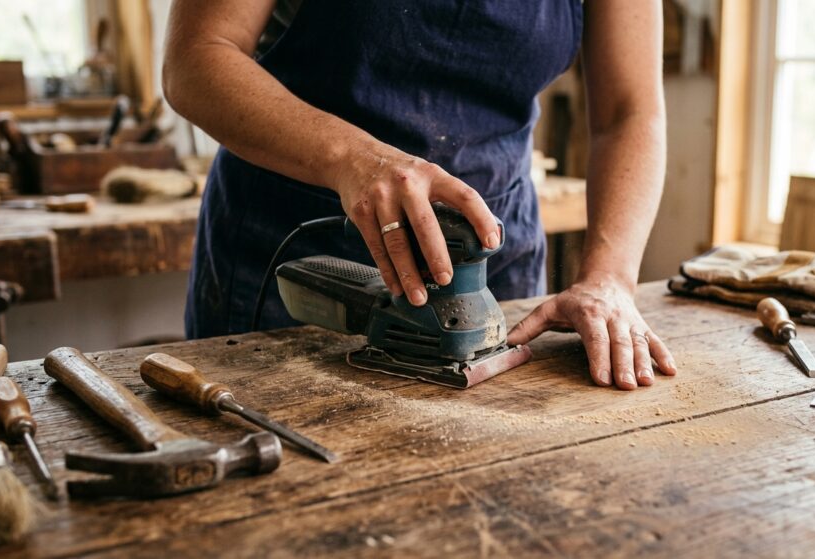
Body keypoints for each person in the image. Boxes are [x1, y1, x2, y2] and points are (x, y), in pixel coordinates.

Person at [163, 0, 677, 390]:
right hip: (296, 245)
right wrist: (355, 160)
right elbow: (196, 57)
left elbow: (629, 114)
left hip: (493, 255)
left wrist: (610, 278)